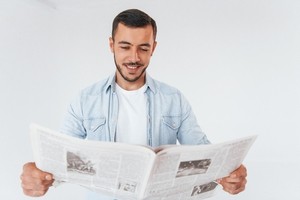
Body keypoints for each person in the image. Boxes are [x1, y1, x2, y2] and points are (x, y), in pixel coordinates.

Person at [20, 8, 247, 199]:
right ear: (111, 45)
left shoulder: (174, 99)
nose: (134, 57)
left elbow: (203, 154)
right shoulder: (84, 100)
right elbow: (61, 159)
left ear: (153, 48)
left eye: (143, 48)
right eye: (125, 46)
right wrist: (37, 173)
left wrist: (229, 174)